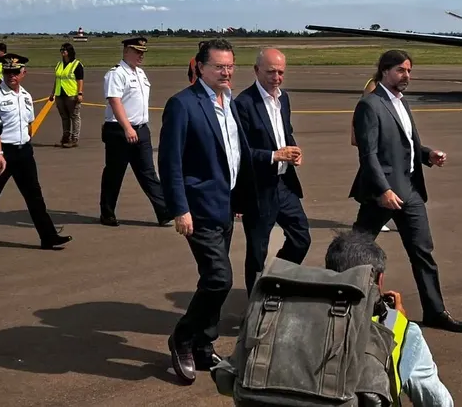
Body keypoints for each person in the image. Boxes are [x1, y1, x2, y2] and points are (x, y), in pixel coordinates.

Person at [158, 38, 301, 385]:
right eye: (218, 66)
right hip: (199, 208)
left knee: (212, 279)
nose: (225, 72)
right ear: (200, 67)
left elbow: (236, 154)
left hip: (225, 206)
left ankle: (205, 345)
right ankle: (182, 337)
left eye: (229, 66)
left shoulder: (230, 103)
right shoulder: (183, 104)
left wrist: (248, 187)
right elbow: (170, 161)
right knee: (220, 278)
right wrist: (180, 209)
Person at [350, 49, 462, 333]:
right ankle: (339, 301)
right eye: (401, 71)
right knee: (355, 251)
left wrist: (428, 155)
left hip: (411, 190)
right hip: (383, 193)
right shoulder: (371, 104)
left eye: (409, 71)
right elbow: (369, 155)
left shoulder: (401, 103)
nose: (407, 76)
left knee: (422, 251)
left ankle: (436, 311)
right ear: (385, 71)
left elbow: (407, 145)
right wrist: (383, 190)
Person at [325, 230, 454, 407]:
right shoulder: (403, 332)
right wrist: (396, 322)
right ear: (380, 280)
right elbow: (438, 403)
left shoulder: (297, 317)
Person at [233, 47, 309, 295]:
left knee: (301, 238)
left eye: (280, 73)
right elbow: (240, 152)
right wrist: (274, 155)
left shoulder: (283, 98)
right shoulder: (244, 104)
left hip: (284, 184)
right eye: (271, 72)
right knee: (257, 250)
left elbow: (285, 132)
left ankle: (277, 279)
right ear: (256, 71)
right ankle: (255, 301)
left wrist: (294, 150)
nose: (276, 78)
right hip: (258, 188)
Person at [0, 54, 72, 250]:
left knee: (34, 195)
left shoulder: (26, 96)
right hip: (3, 152)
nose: (11, 75)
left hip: (23, 152)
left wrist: (27, 143)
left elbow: (28, 124)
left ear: (23, 73)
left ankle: (48, 236)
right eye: (7, 71)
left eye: (15, 72)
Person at [98, 37, 171, 227]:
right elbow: (115, 101)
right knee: (115, 174)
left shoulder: (140, 73)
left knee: (148, 173)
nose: (141, 56)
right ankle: (107, 213)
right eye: (137, 52)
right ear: (126, 51)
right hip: (120, 131)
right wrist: (127, 127)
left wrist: (137, 128)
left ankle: (164, 211)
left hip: (140, 130)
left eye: (143, 52)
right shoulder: (116, 74)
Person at [352, 74, 394, 233]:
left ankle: (380, 215)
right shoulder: (374, 85)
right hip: (373, 142)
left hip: (383, 142)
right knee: (372, 177)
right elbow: (364, 111)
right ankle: (375, 217)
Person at [49, 42, 84, 148]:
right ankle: (65, 137)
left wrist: (80, 93)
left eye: (65, 50)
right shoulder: (59, 64)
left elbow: (80, 80)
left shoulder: (76, 64)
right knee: (64, 117)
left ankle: (74, 139)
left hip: (71, 94)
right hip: (60, 94)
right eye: (62, 50)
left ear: (70, 52)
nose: (63, 52)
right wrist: (53, 92)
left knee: (74, 116)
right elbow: (57, 79)